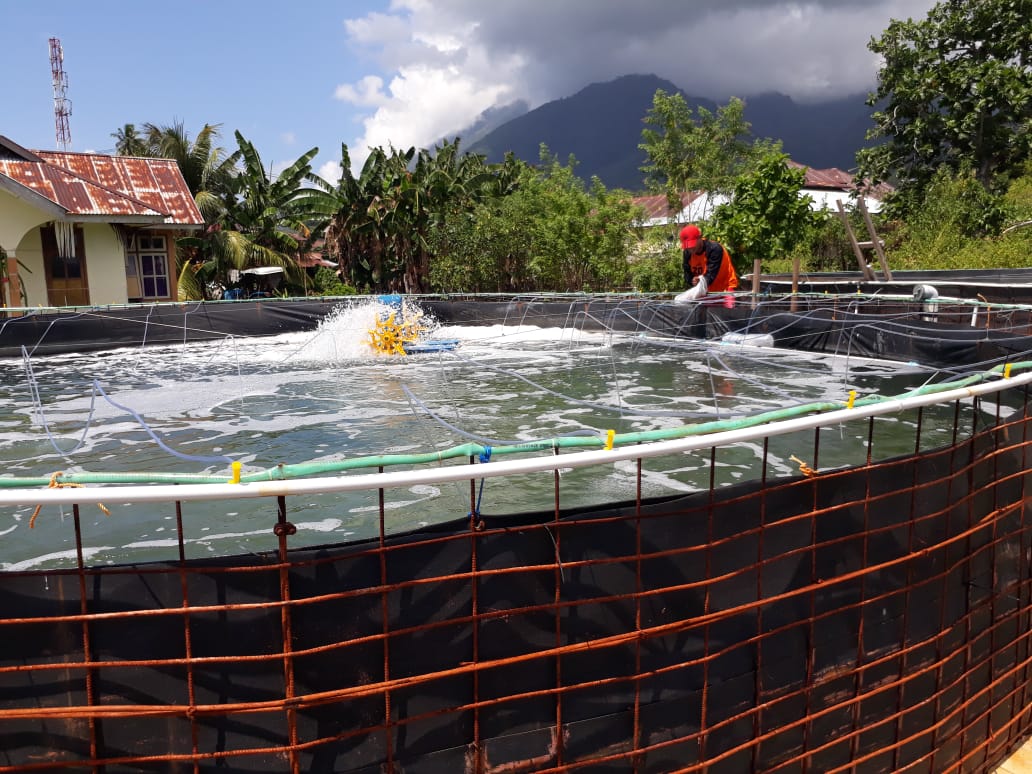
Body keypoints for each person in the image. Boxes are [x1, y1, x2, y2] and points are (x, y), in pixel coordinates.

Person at [675, 224, 739, 303]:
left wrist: (700, 281)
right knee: (702, 314)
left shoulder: (714, 249)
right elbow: (687, 273)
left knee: (726, 314)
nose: (690, 249)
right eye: (687, 247)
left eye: (692, 245)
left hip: (724, 289)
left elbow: (711, 275)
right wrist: (692, 280)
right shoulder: (687, 253)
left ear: (699, 238)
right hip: (705, 291)